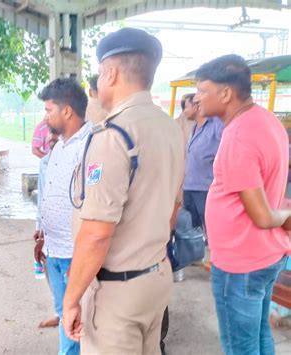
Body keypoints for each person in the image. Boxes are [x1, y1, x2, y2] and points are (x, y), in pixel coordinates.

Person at [63, 28, 185, 354]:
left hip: (118, 291)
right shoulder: (170, 127)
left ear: (110, 73)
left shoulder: (113, 136)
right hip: (155, 276)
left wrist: (71, 299)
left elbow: (96, 234)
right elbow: (175, 205)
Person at [196, 54, 291, 355]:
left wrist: (287, 215)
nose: (197, 99)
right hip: (263, 255)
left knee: (240, 345)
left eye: (202, 91)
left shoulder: (238, 136)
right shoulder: (265, 120)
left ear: (225, 93)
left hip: (242, 262)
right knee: (259, 333)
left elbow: (262, 216)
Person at [35, 78, 91, 355]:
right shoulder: (59, 147)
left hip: (74, 252)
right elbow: (51, 194)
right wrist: (42, 234)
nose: (46, 118)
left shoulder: (90, 145)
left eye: (49, 110)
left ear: (67, 111)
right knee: (63, 311)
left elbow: (94, 205)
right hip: (54, 249)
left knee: (76, 319)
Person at [182, 94, 223, 230]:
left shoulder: (216, 125)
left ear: (196, 106)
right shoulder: (194, 127)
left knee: (211, 228)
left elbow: (228, 148)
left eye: (186, 107)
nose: (184, 111)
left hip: (206, 188)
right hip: (189, 186)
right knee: (192, 230)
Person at [33, 132, 61, 329]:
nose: (50, 136)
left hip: (69, 231)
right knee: (50, 269)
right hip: (48, 227)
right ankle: (59, 313)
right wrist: (40, 229)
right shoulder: (45, 162)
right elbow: (42, 196)